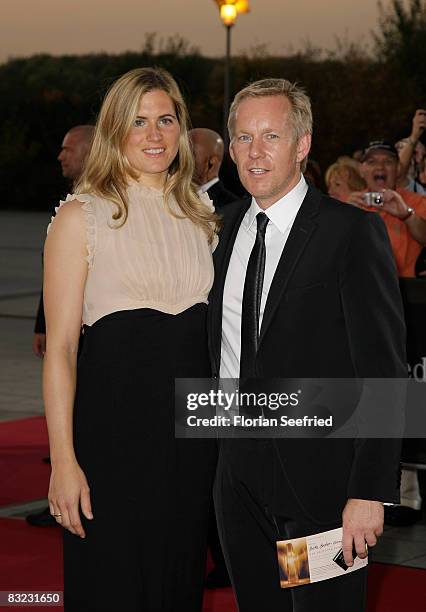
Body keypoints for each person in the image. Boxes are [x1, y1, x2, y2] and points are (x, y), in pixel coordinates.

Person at [208, 79, 406, 611]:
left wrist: (369, 491)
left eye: (271, 135)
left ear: (302, 145)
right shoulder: (219, 231)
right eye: (244, 137)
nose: (255, 151)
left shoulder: (349, 233)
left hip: (320, 486)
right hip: (237, 478)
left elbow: (383, 372)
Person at [43, 67, 219, 611]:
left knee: (177, 586)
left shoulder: (203, 216)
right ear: (114, 129)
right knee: (113, 589)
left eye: (166, 120)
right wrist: (63, 461)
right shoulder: (82, 217)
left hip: (189, 451)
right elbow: (62, 351)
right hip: (110, 449)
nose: (154, 134)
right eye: (138, 121)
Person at [32, 125, 95, 360]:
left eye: (67, 149)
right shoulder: (64, 203)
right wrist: (43, 325)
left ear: (89, 153)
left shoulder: (109, 205)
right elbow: (53, 271)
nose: (60, 156)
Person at [189, 127, 237, 208]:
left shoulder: (232, 207)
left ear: (212, 162)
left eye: (190, 154)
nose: (181, 160)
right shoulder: (172, 197)